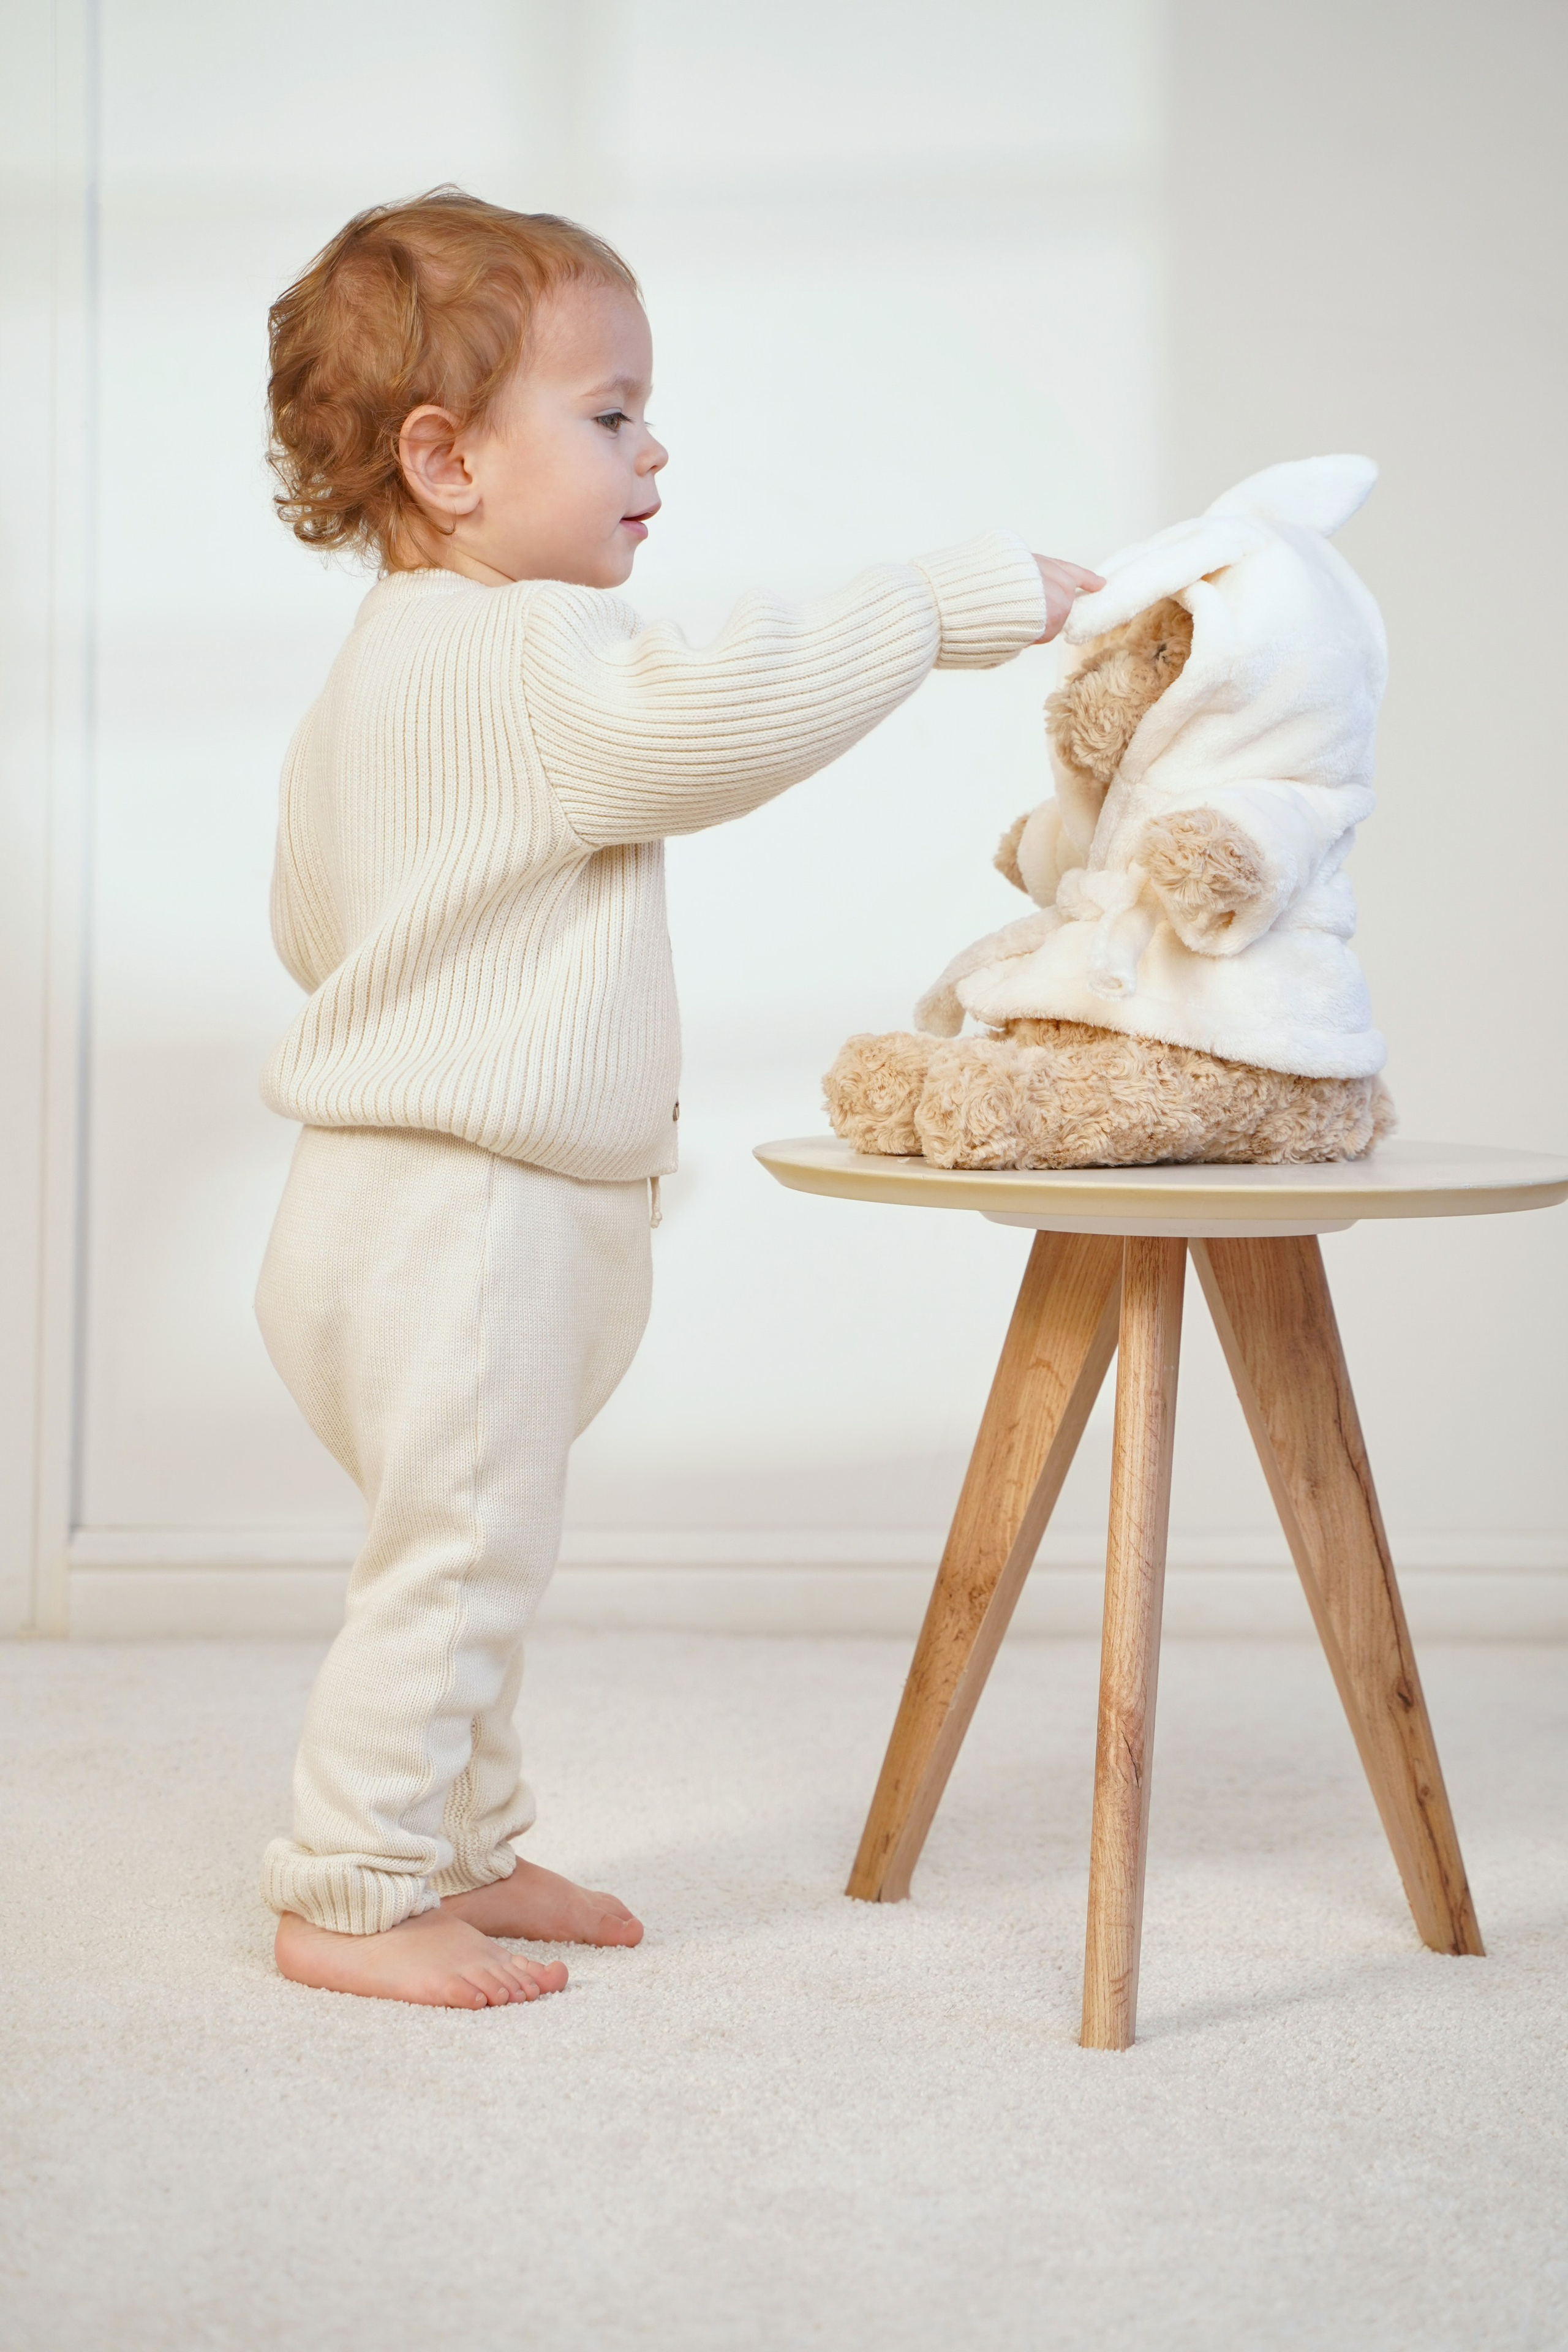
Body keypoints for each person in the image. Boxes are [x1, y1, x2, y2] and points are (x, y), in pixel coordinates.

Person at [256, 186, 1101, 2008]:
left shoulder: (375, 673)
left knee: (469, 1554)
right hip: (467, 1213)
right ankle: (354, 1887)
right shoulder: (524, 650)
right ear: (446, 461)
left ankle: (463, 1844)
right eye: (612, 412)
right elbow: (715, 718)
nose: (655, 450)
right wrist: (937, 605)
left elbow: (310, 923)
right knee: (456, 1566)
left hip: (361, 1207)